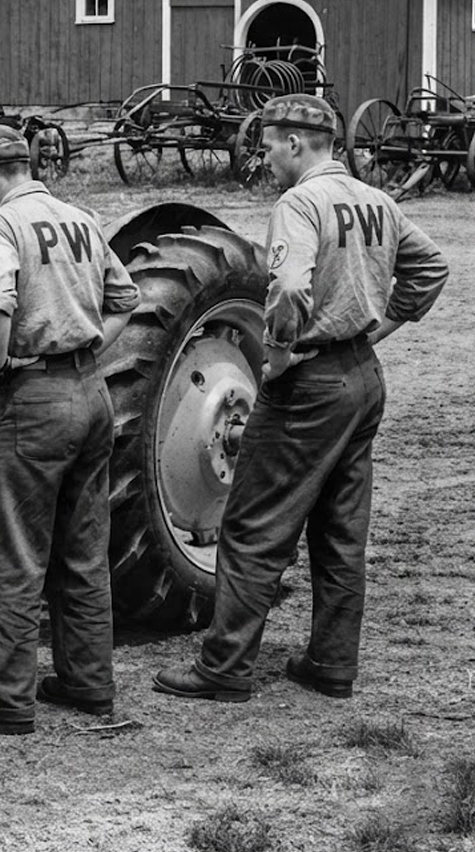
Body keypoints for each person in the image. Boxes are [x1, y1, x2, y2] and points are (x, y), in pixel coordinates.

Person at [154, 93, 448, 704]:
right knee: (342, 530)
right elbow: (430, 268)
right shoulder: (377, 202)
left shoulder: (302, 202)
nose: (265, 157)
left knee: (255, 522)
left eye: (268, 145)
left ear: (295, 143)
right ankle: (332, 664)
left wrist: (280, 352)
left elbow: (288, 285)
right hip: (363, 379)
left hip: (310, 383)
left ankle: (225, 666)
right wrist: (376, 329)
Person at [0, 125, 141, 735]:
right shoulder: (78, 218)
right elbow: (124, 296)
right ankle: (87, 682)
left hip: (34, 400)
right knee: (82, 549)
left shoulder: (1, 225)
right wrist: (86, 350)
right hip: (91, 393)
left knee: (11, 556)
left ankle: (3, 699)